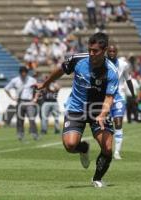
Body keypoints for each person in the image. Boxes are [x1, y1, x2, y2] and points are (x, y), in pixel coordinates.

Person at [36, 32, 119, 187]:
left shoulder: (111, 71)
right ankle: (84, 147)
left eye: (95, 51)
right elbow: (60, 70)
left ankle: (97, 179)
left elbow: (109, 98)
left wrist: (102, 115)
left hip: (98, 110)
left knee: (107, 148)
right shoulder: (78, 59)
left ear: (105, 50)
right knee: (70, 145)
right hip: (76, 108)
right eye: (90, 50)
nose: (91, 54)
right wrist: (45, 84)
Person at [107, 45, 135, 159]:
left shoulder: (123, 65)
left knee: (118, 123)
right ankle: (107, 149)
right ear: (106, 52)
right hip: (105, 97)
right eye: (110, 51)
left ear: (117, 52)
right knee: (106, 125)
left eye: (114, 51)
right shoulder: (102, 64)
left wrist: (133, 95)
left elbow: (128, 80)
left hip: (119, 96)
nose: (112, 53)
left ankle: (117, 152)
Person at [4, 66, 38, 141]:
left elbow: (37, 89)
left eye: (25, 72)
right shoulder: (15, 80)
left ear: (27, 72)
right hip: (20, 102)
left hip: (29, 102)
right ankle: (20, 134)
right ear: (20, 73)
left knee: (31, 119)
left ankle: (34, 134)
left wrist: (35, 98)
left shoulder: (32, 80)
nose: (23, 74)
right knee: (20, 119)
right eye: (22, 72)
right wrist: (12, 97)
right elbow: (6, 88)